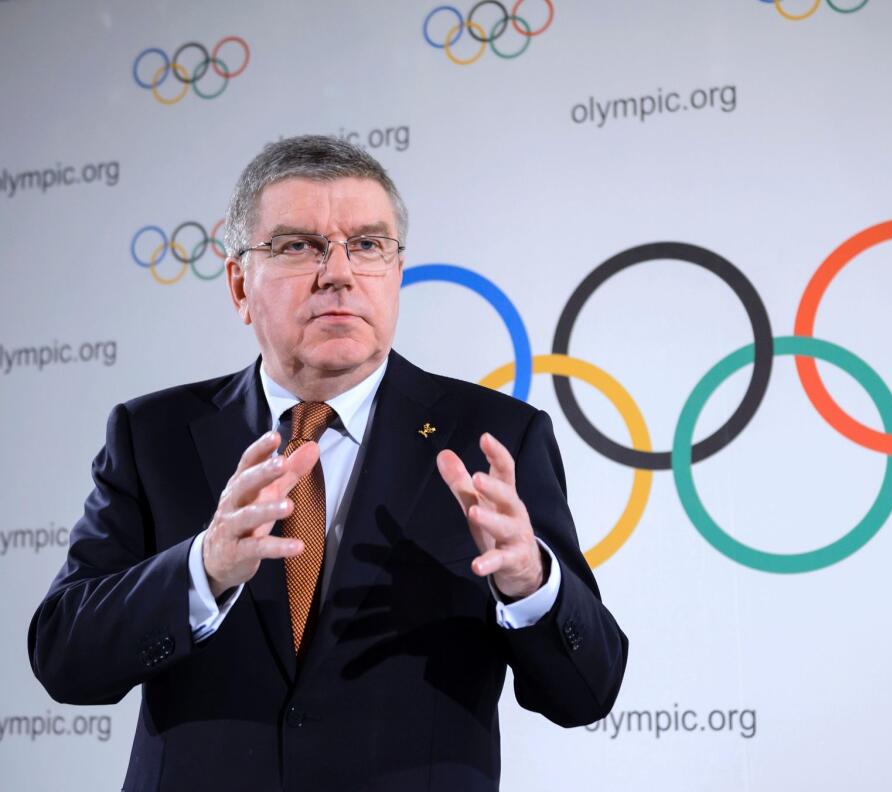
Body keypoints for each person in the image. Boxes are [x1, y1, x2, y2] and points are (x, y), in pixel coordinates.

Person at [27, 135, 627, 791]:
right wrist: (203, 570)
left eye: (367, 245)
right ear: (239, 285)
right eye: (297, 246)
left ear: (396, 273)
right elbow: (66, 659)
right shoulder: (153, 436)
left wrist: (532, 583)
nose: (338, 272)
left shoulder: (496, 437)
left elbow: (585, 692)